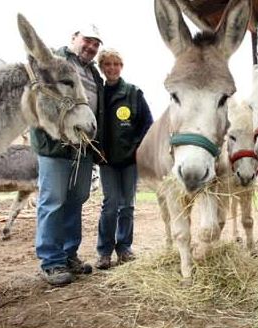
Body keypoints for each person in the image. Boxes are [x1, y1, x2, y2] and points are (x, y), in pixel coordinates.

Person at [30, 24, 104, 285]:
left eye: (97, 43)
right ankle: (51, 261)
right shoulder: (51, 61)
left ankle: (69, 254)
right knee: (54, 200)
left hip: (83, 146)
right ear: (74, 38)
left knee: (76, 199)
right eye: (88, 40)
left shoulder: (94, 73)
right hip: (56, 145)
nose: (92, 47)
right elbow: (36, 99)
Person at [94, 48, 153, 270]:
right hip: (106, 160)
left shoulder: (134, 93)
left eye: (116, 64)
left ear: (122, 67)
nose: (112, 68)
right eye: (107, 64)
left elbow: (147, 123)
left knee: (127, 205)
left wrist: (136, 148)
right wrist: (97, 150)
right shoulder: (97, 94)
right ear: (101, 68)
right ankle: (104, 251)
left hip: (129, 161)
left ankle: (124, 247)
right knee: (110, 205)